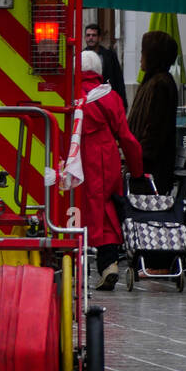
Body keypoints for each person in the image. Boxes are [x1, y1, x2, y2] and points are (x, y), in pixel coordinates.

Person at [70, 49, 145, 290]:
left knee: (73, 207)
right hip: (104, 156)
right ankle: (109, 263)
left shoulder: (68, 95)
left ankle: (71, 263)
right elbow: (126, 138)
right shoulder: (110, 97)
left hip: (74, 155)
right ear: (99, 72)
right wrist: (137, 172)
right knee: (105, 209)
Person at [128, 29, 180, 196]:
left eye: (143, 52)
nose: (140, 57)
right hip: (144, 167)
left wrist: (139, 159)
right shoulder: (153, 82)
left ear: (153, 55)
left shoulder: (160, 84)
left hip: (151, 170)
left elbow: (155, 130)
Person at [84, 23, 127, 109]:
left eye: (94, 35)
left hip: (108, 99)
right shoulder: (80, 56)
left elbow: (118, 78)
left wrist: (123, 103)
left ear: (100, 38)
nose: (91, 38)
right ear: (85, 38)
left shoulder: (110, 56)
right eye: (88, 35)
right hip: (88, 100)